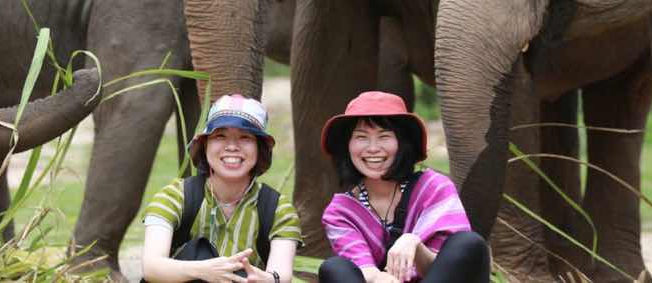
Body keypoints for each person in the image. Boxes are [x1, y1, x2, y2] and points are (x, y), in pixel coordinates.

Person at [318, 92, 490, 283]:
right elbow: (365, 271)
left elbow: (449, 269)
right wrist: (379, 277)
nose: (373, 148)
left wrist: (414, 243)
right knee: (334, 267)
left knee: (468, 243)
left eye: (384, 136)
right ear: (347, 146)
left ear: (402, 144)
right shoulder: (340, 213)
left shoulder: (434, 188)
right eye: (361, 137)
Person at [142, 94, 302, 283]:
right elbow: (151, 267)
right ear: (205, 145)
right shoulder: (175, 197)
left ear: (260, 150)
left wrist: (266, 279)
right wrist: (204, 270)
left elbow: (281, 276)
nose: (232, 146)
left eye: (245, 137)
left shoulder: (278, 210)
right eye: (220, 136)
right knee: (200, 252)